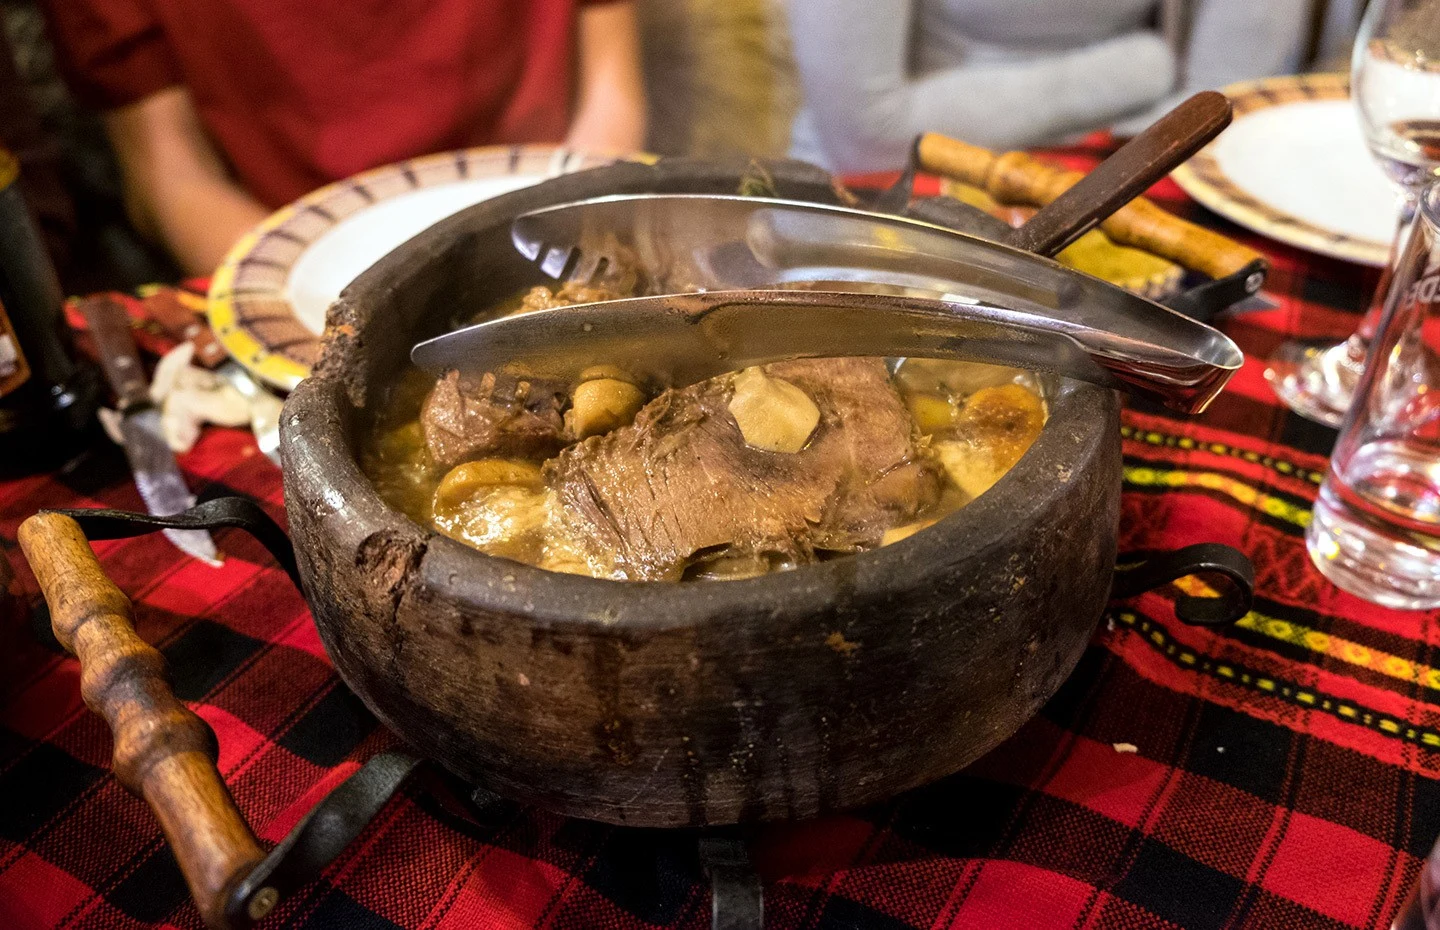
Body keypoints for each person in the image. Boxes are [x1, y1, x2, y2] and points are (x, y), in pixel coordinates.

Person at [39, 0, 646, 275]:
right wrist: (310, 301)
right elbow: (166, 178)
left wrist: (579, 246)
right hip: (296, 263)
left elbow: (611, 95)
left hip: (560, 223)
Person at [784, 0, 1312, 173]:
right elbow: (864, 137)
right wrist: (1138, 69)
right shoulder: (1140, 68)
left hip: (1128, 161)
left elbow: (1216, 110)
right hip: (890, 185)